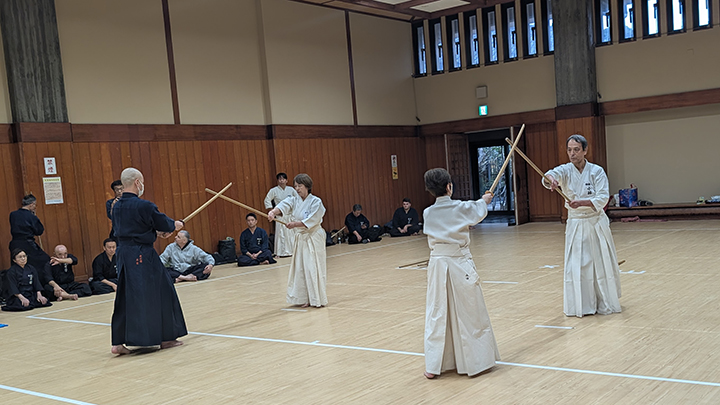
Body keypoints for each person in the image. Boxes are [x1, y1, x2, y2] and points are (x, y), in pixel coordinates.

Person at [421, 168, 500, 379]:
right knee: (470, 312)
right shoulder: (460, 208)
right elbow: (477, 211)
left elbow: (469, 211)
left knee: (437, 312)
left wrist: (481, 202)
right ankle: (477, 361)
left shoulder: (428, 213)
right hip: (458, 263)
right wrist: (485, 200)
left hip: (437, 265)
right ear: (449, 186)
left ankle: (434, 364)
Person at [544, 134, 622, 318]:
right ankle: (582, 305)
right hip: (576, 223)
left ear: (585, 150)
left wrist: (582, 203)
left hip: (595, 222)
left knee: (600, 262)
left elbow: (603, 197)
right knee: (578, 265)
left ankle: (604, 302)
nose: (572, 153)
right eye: (569, 150)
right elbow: (550, 175)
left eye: (576, 150)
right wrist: (550, 180)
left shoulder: (596, 171)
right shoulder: (565, 170)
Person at [110, 167, 186, 355]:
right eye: (142, 182)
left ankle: (118, 343)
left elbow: (136, 226)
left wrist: (156, 232)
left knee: (126, 295)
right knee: (162, 291)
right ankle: (166, 338)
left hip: (123, 254)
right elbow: (164, 223)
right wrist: (175, 225)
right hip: (141, 254)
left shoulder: (115, 206)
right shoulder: (144, 206)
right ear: (137, 182)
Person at [268, 173, 327, 308]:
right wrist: (273, 212)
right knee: (301, 268)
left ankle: (316, 298)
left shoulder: (316, 201)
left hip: (313, 237)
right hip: (300, 237)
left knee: (312, 267)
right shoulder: (294, 200)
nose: (297, 188)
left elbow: (312, 219)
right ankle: (305, 298)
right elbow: (284, 205)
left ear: (307, 186)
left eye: (300, 186)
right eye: (295, 186)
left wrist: (295, 224)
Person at [8, 194, 50, 271]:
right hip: (28, 244)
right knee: (45, 260)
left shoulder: (13, 214)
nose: (35, 207)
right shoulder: (31, 216)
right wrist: (34, 216)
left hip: (15, 243)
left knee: (18, 264)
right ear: (31, 204)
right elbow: (39, 231)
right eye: (35, 205)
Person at [264, 173, 298, 257]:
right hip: (279, 214)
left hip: (290, 214)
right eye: (280, 179)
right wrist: (272, 211)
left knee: (291, 233)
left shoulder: (291, 190)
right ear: (277, 181)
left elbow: (298, 199)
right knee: (280, 234)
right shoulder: (274, 190)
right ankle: (279, 253)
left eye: (283, 179)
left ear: (286, 180)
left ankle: (293, 251)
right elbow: (267, 200)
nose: (281, 181)